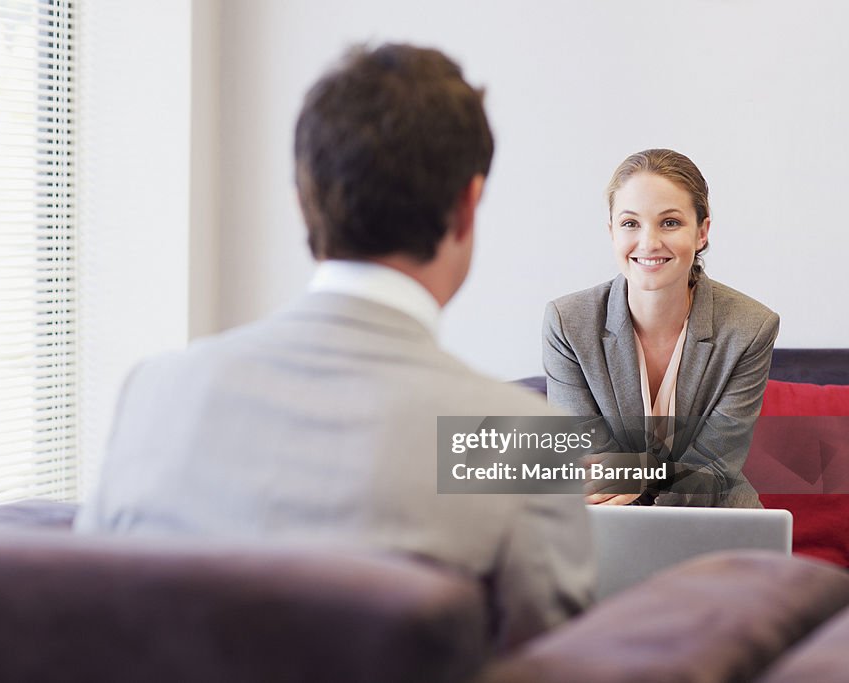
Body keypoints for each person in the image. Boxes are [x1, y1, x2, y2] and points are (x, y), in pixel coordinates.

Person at [75, 43, 594, 650]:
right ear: (466, 206)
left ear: (304, 198)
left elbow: (89, 625)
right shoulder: (519, 439)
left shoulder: (155, 391)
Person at [543, 148, 779, 508]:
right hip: (608, 520)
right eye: (630, 223)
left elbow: (714, 471)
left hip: (713, 518)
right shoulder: (567, 323)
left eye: (670, 222)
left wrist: (642, 472)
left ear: (702, 232)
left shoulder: (751, 328)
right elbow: (591, 467)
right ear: (612, 232)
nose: (649, 242)